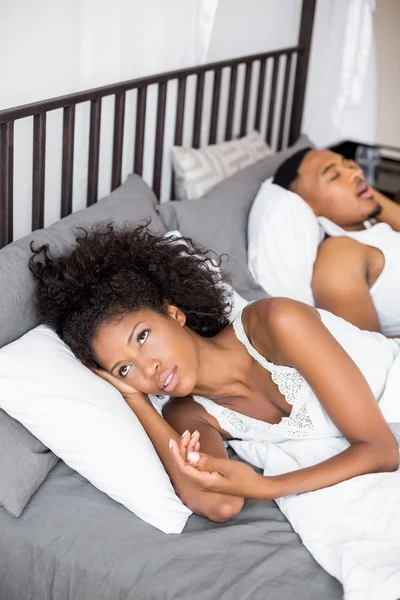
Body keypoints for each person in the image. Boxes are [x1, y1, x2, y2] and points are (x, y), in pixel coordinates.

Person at [29, 223, 400, 520]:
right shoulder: (187, 413)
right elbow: (219, 505)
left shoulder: (277, 323)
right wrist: (136, 401)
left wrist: (266, 487)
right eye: (124, 368)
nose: (148, 368)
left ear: (174, 313)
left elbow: (381, 450)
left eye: (142, 336)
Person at [273, 148, 400, 337]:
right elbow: (368, 352)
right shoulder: (339, 255)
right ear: (308, 207)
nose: (357, 172)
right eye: (334, 175)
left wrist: (360, 188)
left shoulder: (372, 226)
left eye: (349, 164)